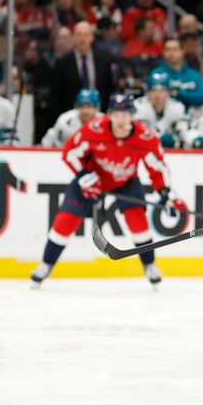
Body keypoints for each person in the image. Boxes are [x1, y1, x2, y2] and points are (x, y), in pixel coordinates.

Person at [30, 94, 187, 289]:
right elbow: (69, 152)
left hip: (126, 182)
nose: (121, 120)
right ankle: (46, 264)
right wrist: (84, 176)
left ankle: (149, 265)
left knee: (137, 220)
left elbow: (158, 168)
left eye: (126, 115)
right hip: (93, 179)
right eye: (117, 114)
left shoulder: (145, 137)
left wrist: (165, 194)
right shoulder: (94, 130)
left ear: (132, 116)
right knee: (65, 220)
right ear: (109, 115)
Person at [50, 21, 115, 115]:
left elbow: (108, 91)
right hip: (71, 117)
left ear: (92, 37)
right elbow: (55, 96)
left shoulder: (103, 62)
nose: (82, 38)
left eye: (86, 35)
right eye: (79, 34)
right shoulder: (62, 63)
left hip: (98, 114)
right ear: (73, 37)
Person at [149, 37, 203, 112]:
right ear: (163, 52)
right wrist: (189, 96)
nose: (171, 53)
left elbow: (201, 97)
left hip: (191, 116)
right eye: (167, 49)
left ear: (182, 51)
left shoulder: (193, 74)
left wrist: (177, 93)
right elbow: (156, 99)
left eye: (175, 49)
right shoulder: (157, 74)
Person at [133, 71, 188, 148]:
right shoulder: (138, 105)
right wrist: (160, 138)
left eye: (162, 90)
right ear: (148, 92)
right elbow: (139, 134)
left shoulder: (177, 107)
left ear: (168, 92)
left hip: (172, 151)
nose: (157, 95)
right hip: (143, 149)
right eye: (153, 90)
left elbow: (183, 132)